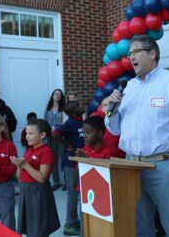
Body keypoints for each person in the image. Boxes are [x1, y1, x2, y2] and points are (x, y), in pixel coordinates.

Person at [105, 35, 169, 237]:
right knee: (140, 227)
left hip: (163, 167)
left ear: (152, 53)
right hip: (131, 167)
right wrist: (112, 112)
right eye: (129, 53)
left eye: (136, 52)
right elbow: (114, 129)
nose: (131, 57)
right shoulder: (129, 88)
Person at [11, 119, 60, 237]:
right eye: (26, 133)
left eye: (31, 133)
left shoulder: (46, 151)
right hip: (25, 191)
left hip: (38, 192)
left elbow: (42, 178)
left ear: (42, 135)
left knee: (39, 228)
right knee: (29, 228)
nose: (27, 136)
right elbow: (19, 177)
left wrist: (25, 165)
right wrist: (19, 166)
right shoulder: (28, 151)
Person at [75, 116, 113, 237]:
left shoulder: (108, 151)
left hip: (100, 196)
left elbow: (104, 175)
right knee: (84, 223)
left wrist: (87, 160)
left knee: (98, 224)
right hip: (83, 191)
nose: (85, 136)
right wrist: (80, 160)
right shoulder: (85, 148)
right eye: (83, 132)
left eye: (88, 132)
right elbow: (79, 171)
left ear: (100, 133)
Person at [53, 101, 85, 236]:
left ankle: (76, 221)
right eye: (78, 106)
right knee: (73, 193)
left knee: (81, 192)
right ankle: (71, 224)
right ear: (72, 112)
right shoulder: (69, 124)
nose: (81, 106)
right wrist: (68, 145)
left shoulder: (80, 121)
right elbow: (55, 134)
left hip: (82, 160)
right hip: (71, 163)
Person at [44, 89, 66, 191]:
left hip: (60, 136)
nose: (57, 96)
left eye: (59, 95)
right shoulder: (48, 109)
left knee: (63, 159)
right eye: (55, 94)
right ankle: (56, 182)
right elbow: (45, 122)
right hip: (50, 137)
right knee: (53, 160)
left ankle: (66, 182)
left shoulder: (63, 108)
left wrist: (58, 130)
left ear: (61, 97)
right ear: (52, 95)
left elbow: (64, 123)